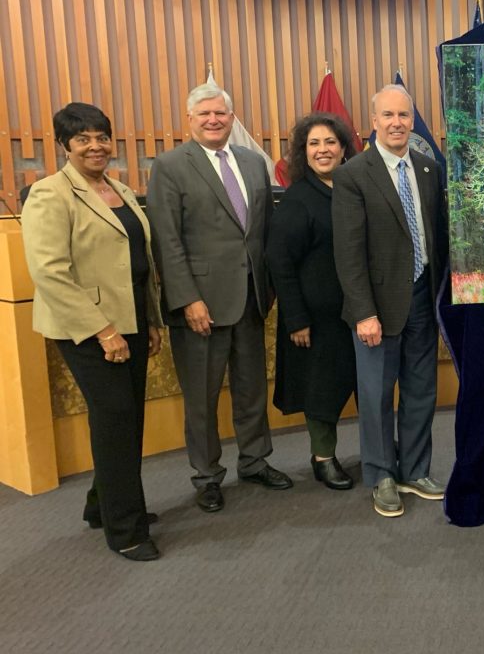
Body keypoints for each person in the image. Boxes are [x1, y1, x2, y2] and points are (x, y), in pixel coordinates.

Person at [21, 103, 163, 561]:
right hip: (87, 329)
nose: (95, 145)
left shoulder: (119, 188)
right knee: (116, 418)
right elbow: (50, 272)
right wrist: (104, 331)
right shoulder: (49, 194)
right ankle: (127, 530)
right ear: (65, 146)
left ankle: (104, 504)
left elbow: (141, 264)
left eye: (101, 136)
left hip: (133, 320)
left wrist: (152, 320)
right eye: (82, 138)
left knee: (126, 418)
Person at [147, 84, 292, 513]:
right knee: (202, 398)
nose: (214, 120)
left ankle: (254, 460)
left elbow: (261, 232)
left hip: (249, 299)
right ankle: (207, 476)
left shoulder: (251, 162)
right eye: (205, 113)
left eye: (221, 113)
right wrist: (188, 298)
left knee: (250, 390)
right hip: (200, 307)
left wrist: (266, 289)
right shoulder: (171, 166)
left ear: (232, 118)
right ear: (189, 119)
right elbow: (166, 240)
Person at [332, 83, 447, 517]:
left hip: (422, 300)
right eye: (388, 116)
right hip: (376, 309)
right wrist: (364, 312)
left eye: (404, 116)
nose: (397, 123)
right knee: (377, 394)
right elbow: (348, 252)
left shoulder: (428, 169)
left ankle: (414, 470)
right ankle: (381, 474)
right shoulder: (353, 174)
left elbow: (435, 237)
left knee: (421, 391)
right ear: (373, 122)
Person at [267, 113, 359, 490]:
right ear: (303, 152)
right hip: (315, 320)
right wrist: (296, 319)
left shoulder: (353, 189)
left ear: (343, 148)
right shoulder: (299, 198)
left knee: (361, 385)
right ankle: (323, 457)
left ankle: (377, 450)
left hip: (355, 313)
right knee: (321, 392)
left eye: (330, 142)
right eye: (314, 144)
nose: (323, 150)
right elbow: (279, 262)